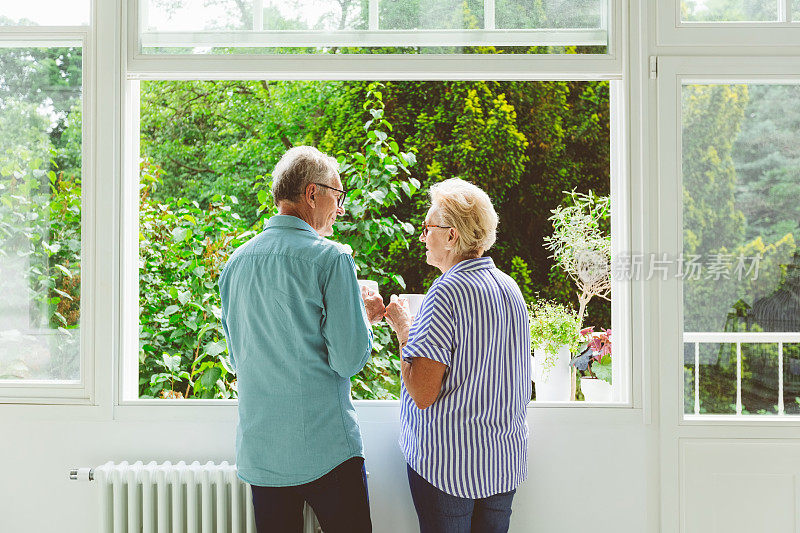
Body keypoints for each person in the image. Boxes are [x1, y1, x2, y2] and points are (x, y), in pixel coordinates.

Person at [219, 146, 385, 533]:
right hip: (325, 449)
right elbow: (349, 360)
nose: (340, 209)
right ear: (313, 194)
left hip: (261, 454)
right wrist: (363, 316)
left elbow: (238, 355)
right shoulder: (332, 259)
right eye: (338, 196)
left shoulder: (235, 264)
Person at [384, 178, 532, 533]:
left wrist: (403, 325)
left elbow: (422, 391)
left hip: (450, 466)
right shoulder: (509, 288)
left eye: (428, 228)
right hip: (502, 463)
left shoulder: (447, 291)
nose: (422, 237)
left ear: (451, 236)